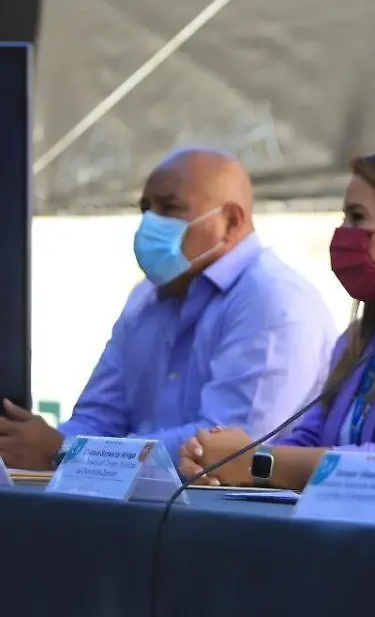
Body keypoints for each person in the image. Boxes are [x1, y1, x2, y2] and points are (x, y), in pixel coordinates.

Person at [0, 148, 335, 470]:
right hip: (139, 515)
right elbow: (99, 417)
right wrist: (28, 444)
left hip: (227, 520)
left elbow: (221, 450)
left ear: (231, 221)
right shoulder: (146, 297)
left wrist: (66, 453)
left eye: (169, 208)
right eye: (145, 208)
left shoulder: (273, 302)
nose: (149, 222)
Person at [176, 147, 375, 489]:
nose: (342, 233)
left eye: (357, 217)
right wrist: (228, 463)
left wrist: (257, 463)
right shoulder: (361, 337)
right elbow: (307, 438)